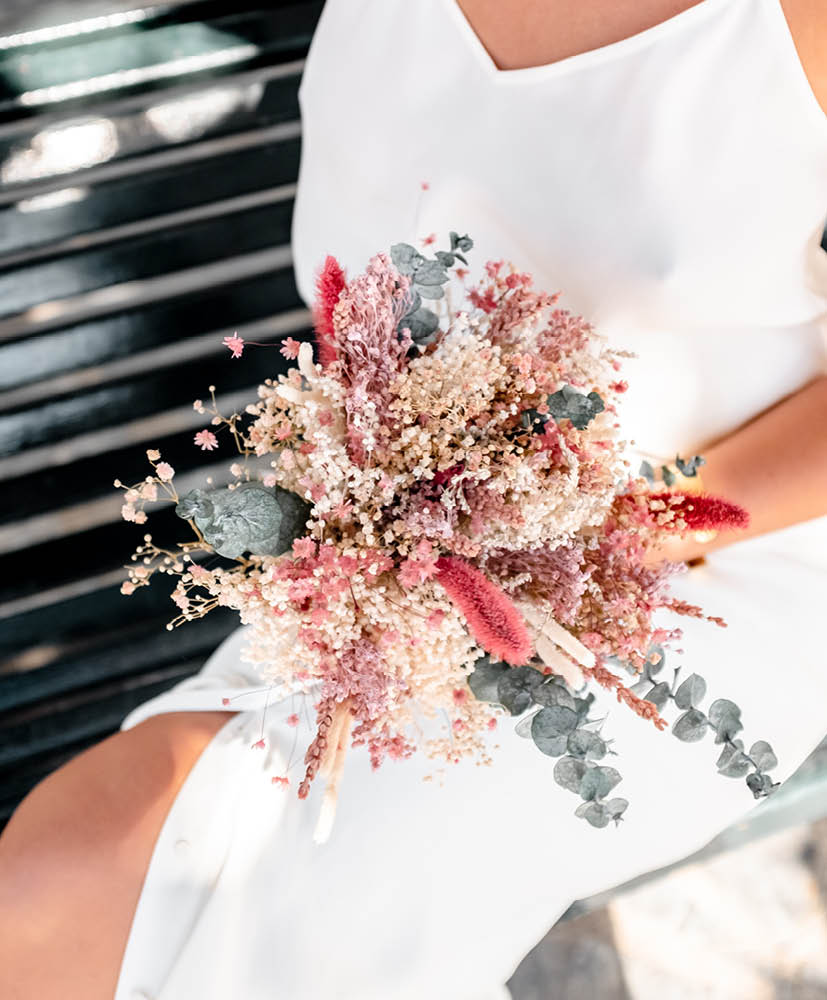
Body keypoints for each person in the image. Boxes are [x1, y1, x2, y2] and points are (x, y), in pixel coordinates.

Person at [2, 1, 826, 997]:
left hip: (703, 564)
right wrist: (382, 512)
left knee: (330, 889)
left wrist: (599, 529)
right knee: (49, 877)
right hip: (411, 551)